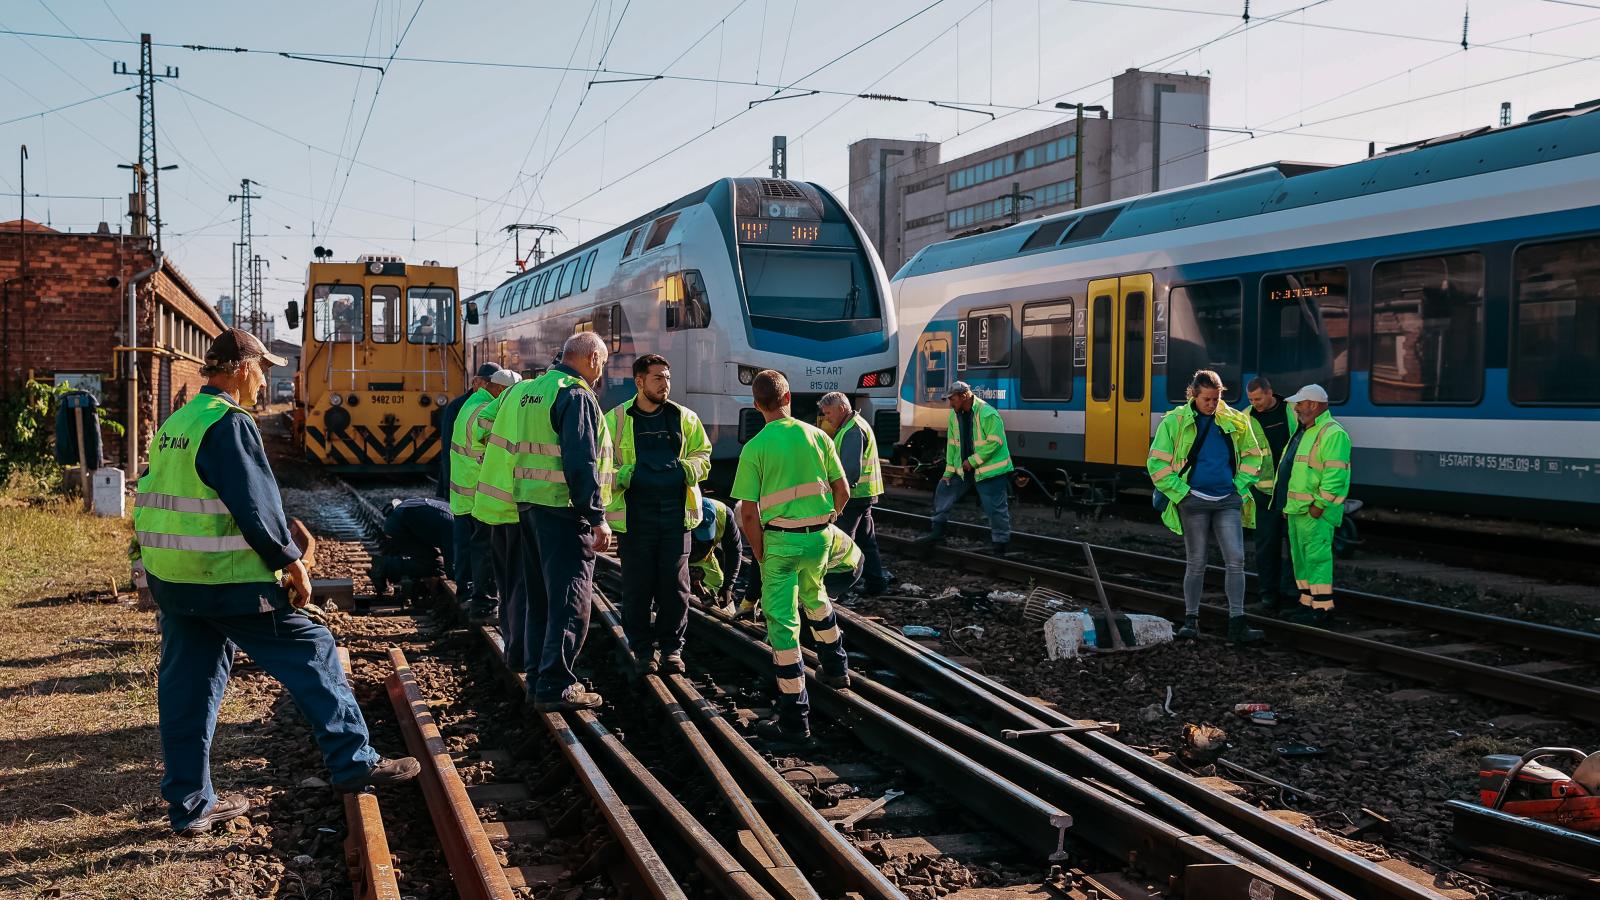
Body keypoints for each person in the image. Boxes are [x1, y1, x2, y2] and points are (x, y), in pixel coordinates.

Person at [132, 328, 418, 836]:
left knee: (187, 689)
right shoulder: (229, 423)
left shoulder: (180, 421)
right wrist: (291, 562)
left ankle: (190, 805)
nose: (266, 380)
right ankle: (354, 762)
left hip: (175, 583)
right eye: (263, 368)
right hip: (227, 581)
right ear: (241, 369)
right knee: (313, 647)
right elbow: (257, 509)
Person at [476, 332, 615, 712]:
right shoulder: (574, 394)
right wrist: (597, 517)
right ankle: (556, 683)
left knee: (539, 599)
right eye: (601, 362)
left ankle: (538, 677)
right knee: (571, 599)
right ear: (589, 358)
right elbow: (580, 461)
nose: (601, 371)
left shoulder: (533, 391)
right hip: (564, 511)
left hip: (528, 506)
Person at [732, 370, 852, 745]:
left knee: (783, 625)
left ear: (757, 405)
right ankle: (836, 667)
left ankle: (794, 720)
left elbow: (748, 514)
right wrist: (828, 519)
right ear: (788, 399)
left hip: (779, 544)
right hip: (818, 538)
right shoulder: (818, 437)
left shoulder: (755, 447)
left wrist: (759, 551)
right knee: (815, 597)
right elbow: (843, 490)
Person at [604, 354, 712, 677]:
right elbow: (600, 466)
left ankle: (671, 649)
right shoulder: (615, 420)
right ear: (639, 382)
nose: (665, 384)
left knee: (675, 589)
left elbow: (704, 456)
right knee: (637, 587)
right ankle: (641, 649)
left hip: (676, 518)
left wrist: (684, 470)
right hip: (636, 519)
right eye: (657, 378)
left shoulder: (685, 418)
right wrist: (625, 475)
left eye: (667, 378)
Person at [1147, 369, 1266, 643]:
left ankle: (1237, 622)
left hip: (1227, 500)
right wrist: (1183, 493)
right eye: (1207, 400)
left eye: (1216, 398)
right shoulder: (1175, 421)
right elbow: (1156, 464)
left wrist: (1239, 487)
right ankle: (1191, 619)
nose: (1212, 405)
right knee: (1197, 562)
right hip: (1194, 502)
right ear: (1194, 395)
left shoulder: (1234, 419)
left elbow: (1252, 455)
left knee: (1236, 559)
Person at [445, 365, 518, 622]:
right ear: (498, 388)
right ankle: (483, 604)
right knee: (485, 549)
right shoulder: (485, 410)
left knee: (467, 546)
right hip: (479, 491)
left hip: (465, 490)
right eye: (508, 393)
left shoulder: (471, 404)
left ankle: (467, 594)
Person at [1277, 384, 1352, 625]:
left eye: (1300, 403)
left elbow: (1335, 477)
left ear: (1314, 405)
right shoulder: (1308, 431)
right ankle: (1307, 603)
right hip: (1299, 510)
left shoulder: (1332, 433)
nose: (1296, 408)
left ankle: (1323, 608)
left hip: (1315, 511)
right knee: (1301, 559)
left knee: (1317, 559)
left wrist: (1319, 504)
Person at [467, 370, 528, 666]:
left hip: (493, 505)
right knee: (522, 585)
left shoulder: (507, 398)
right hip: (520, 508)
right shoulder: (544, 399)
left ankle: (514, 649)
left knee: (508, 584)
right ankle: (520, 652)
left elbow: (482, 426)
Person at [925, 382, 1013, 556]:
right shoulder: (954, 415)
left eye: (952, 399)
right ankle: (937, 532)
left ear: (964, 396)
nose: (950, 403)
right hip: (963, 468)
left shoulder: (988, 413)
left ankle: (1000, 545)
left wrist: (973, 461)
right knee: (943, 490)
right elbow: (952, 444)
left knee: (995, 508)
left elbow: (996, 442)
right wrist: (949, 472)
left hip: (989, 470)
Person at [817, 392, 890, 596]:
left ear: (841, 408)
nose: (827, 418)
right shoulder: (853, 425)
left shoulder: (851, 430)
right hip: (862, 494)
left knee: (842, 540)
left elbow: (850, 472)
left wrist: (837, 495)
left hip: (853, 495)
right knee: (866, 539)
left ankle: (839, 587)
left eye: (829, 413)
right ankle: (876, 583)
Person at [1245, 375, 1298, 611]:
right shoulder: (1246, 417)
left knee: (1296, 545)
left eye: (1258, 398)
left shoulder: (1293, 410)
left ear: (1270, 393)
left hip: (1293, 491)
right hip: (1263, 494)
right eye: (1251, 399)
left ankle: (1291, 592)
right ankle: (1269, 594)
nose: (1255, 403)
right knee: (1266, 546)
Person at [369, 497, 454, 605]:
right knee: (436, 565)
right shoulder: (453, 528)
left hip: (403, 518)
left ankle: (389, 566)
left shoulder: (457, 517)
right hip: (399, 526)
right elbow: (452, 568)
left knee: (433, 561)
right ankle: (385, 567)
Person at [689, 497, 742, 612]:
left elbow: (734, 552)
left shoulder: (724, 515)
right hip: (675, 557)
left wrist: (728, 586)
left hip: (705, 558)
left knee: (718, 585)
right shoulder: (675, 514)